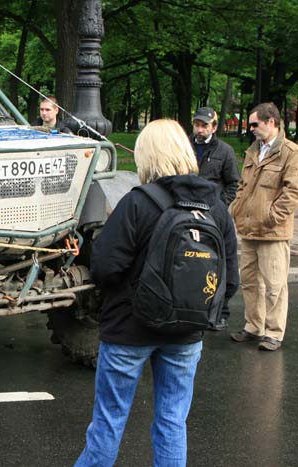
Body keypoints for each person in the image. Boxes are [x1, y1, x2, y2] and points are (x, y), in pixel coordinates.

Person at [74, 119, 238, 467]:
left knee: (108, 424)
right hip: (187, 333)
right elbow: (231, 279)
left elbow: (104, 267)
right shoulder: (216, 208)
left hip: (128, 330)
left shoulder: (138, 202)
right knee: (172, 422)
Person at [229, 102, 298, 351]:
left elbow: (293, 191)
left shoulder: (290, 152)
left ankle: (274, 333)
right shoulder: (253, 151)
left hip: (272, 232)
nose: (251, 129)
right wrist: (237, 209)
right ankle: (253, 327)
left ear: (271, 122)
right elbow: (242, 186)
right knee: (249, 282)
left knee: (274, 286)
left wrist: (272, 217)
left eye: (255, 124)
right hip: (248, 229)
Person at [190, 106, 240, 331]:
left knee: (220, 261)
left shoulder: (225, 151)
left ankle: (220, 311)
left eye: (204, 125)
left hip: (214, 215)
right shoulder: (184, 146)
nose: (200, 130)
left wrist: (220, 207)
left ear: (214, 127)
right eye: (197, 125)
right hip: (188, 214)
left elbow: (233, 183)